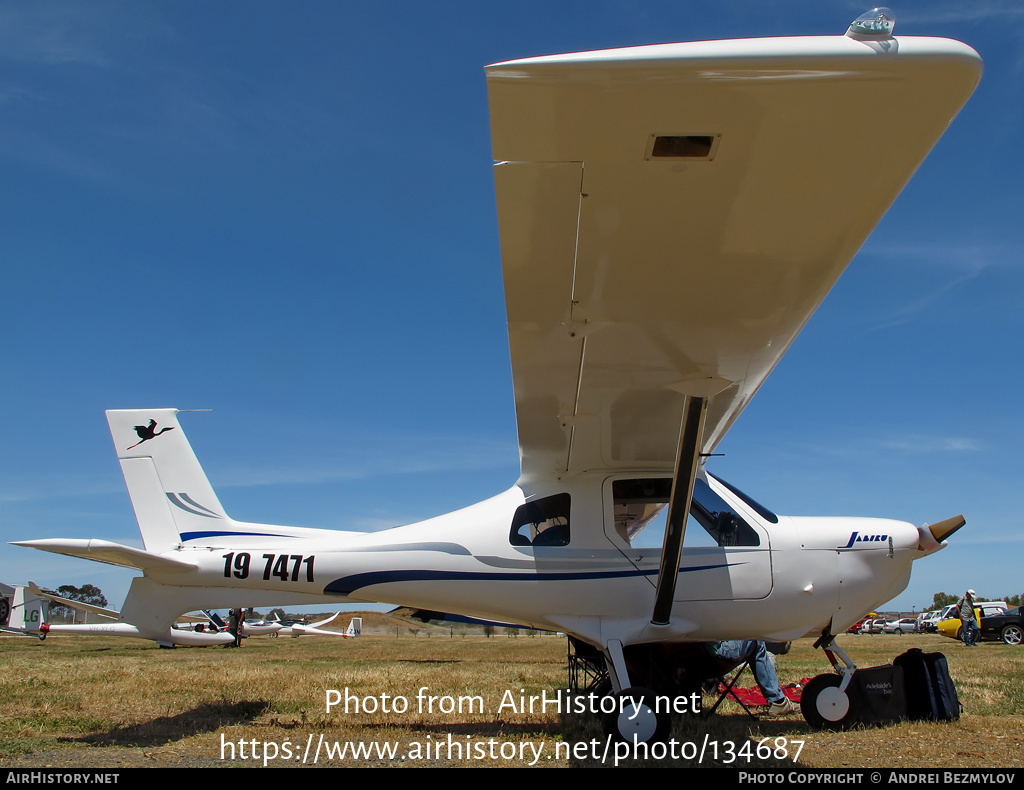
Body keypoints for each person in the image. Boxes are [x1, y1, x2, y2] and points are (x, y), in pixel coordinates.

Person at [708, 640, 799, 716]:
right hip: (715, 655)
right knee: (757, 642)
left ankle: (777, 700)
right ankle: (778, 701)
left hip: (701, 659)